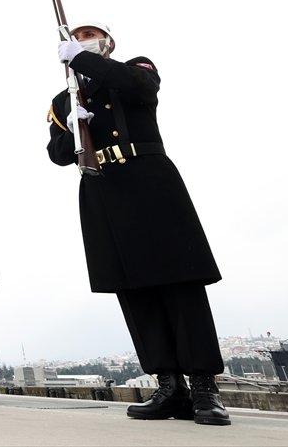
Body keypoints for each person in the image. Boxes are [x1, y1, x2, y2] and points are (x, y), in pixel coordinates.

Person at [49, 22, 228, 426]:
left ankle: (203, 387)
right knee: (134, 289)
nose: (82, 41)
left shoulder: (135, 67)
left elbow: (140, 89)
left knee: (180, 282)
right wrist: (75, 122)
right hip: (104, 190)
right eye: (75, 38)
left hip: (150, 181)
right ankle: (169, 385)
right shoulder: (64, 100)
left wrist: (83, 63)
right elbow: (57, 153)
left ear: (107, 44)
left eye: (90, 37)